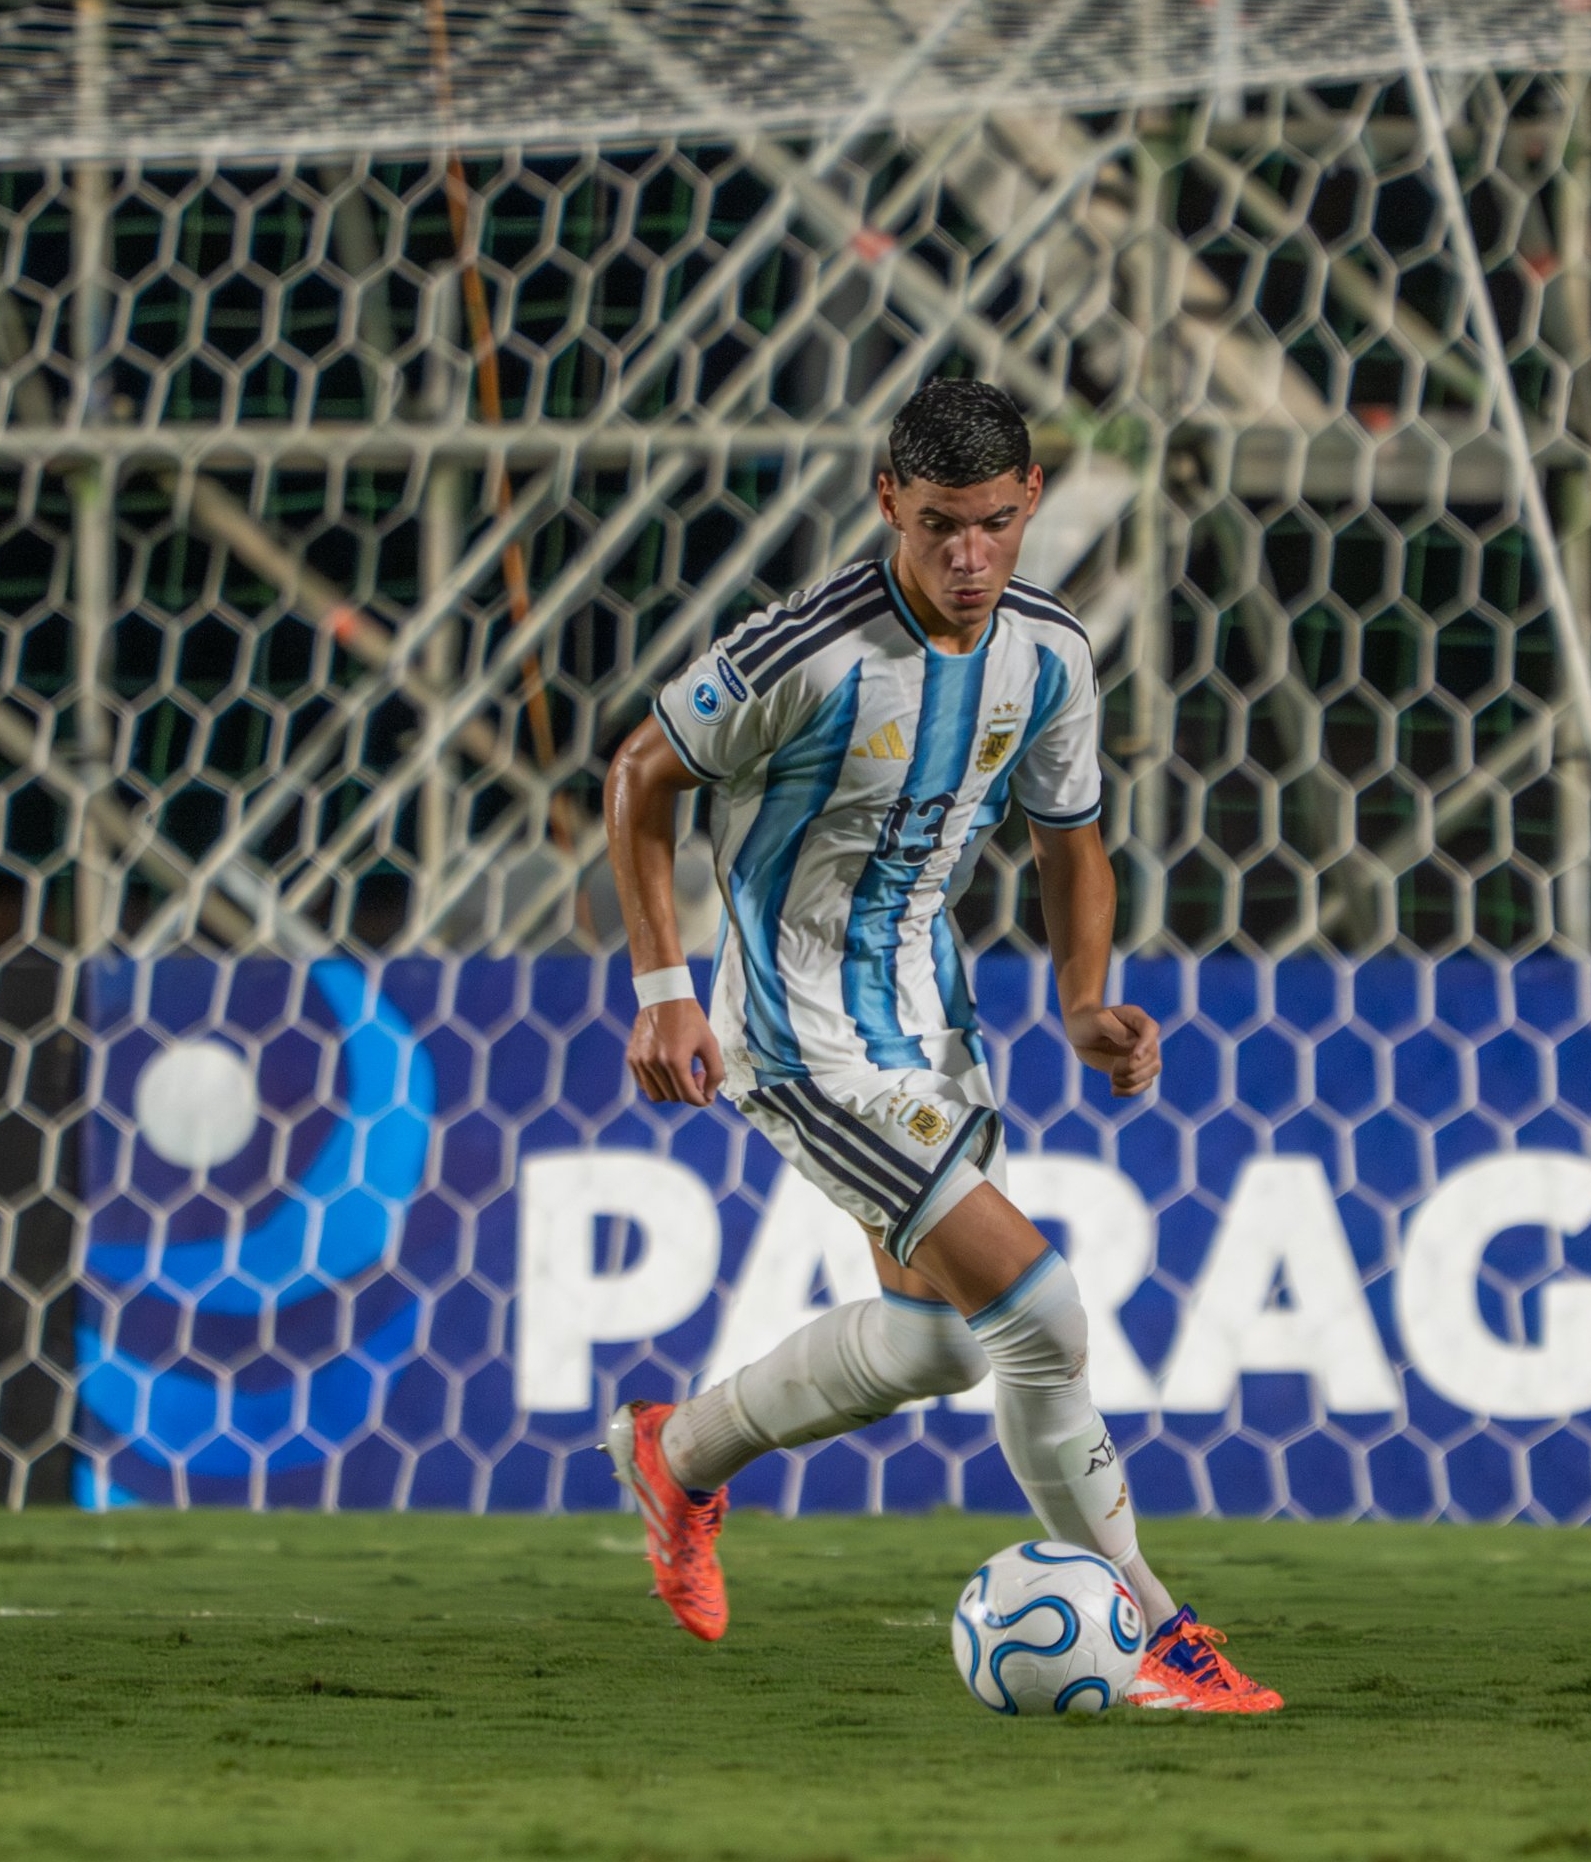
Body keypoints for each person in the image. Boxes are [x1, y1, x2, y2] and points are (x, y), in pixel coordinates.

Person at [597, 377, 1281, 1713]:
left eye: (995, 526)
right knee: (1038, 1312)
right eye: (939, 528)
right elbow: (639, 773)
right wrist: (662, 986)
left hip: (932, 1020)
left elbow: (1071, 836)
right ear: (887, 505)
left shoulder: (1049, 652)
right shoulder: (804, 653)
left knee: (939, 1345)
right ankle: (1150, 1625)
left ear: (1027, 506)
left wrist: (1086, 1000)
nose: (969, 559)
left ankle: (678, 1451)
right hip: (795, 1027)